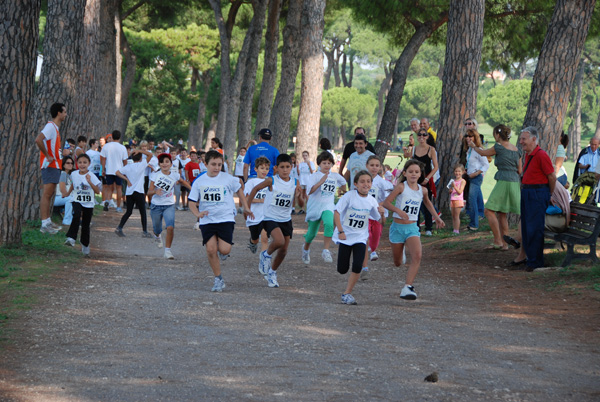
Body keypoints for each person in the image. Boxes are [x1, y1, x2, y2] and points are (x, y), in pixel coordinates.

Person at [188, 150, 252, 292]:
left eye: (219, 164)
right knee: (211, 250)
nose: (217, 167)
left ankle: (221, 248)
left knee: (225, 249)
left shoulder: (227, 178)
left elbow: (239, 190)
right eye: (213, 164)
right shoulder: (199, 181)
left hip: (226, 218)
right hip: (207, 219)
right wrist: (197, 213)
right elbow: (191, 202)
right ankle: (218, 279)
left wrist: (246, 207)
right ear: (205, 164)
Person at [382, 160, 445, 300]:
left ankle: (407, 287)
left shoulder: (422, 190)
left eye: (417, 172)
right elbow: (386, 203)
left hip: (412, 228)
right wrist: (399, 211)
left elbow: (428, 203)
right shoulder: (401, 187)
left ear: (420, 174)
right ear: (405, 173)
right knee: (397, 262)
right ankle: (401, 252)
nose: (413, 174)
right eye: (410, 172)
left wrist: (437, 217)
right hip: (397, 228)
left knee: (417, 256)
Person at [247, 154, 303, 288]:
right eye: (282, 167)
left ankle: (272, 272)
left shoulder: (295, 182)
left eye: (288, 167)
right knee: (279, 241)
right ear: (276, 168)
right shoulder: (271, 180)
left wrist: (298, 196)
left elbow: (300, 203)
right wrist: (247, 208)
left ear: (292, 167)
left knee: (283, 250)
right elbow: (255, 189)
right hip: (270, 217)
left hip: (286, 219)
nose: (285, 170)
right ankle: (265, 255)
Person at [333, 170, 383, 305]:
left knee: (357, 265)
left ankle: (347, 293)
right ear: (355, 184)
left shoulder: (372, 201)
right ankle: (344, 271)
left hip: (361, 237)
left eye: (368, 181)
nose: (365, 184)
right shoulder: (349, 196)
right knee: (342, 269)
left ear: (371, 184)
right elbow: (337, 213)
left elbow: (379, 220)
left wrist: (382, 214)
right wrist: (341, 231)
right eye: (362, 181)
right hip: (345, 236)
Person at [468, 124, 521, 248]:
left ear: (497, 135)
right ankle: (505, 244)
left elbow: (483, 153)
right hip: (514, 183)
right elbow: (520, 170)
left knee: (488, 210)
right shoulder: (516, 149)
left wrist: (473, 146)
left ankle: (497, 240)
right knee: (502, 213)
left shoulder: (499, 147)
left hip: (503, 181)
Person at [519, 127, 556, 270]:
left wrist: (549, 194)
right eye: (521, 138)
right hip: (528, 192)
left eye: (524, 139)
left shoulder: (541, 155)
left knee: (534, 228)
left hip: (537, 193)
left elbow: (551, 176)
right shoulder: (528, 155)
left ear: (534, 139)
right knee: (527, 228)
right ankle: (531, 259)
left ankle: (535, 262)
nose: (521, 141)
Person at [301, 151, 347, 265]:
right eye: (324, 163)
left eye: (329, 163)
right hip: (315, 206)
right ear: (319, 164)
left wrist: (342, 190)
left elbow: (343, 182)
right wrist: (321, 182)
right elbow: (309, 191)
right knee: (311, 234)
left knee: (329, 224)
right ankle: (306, 249)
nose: (327, 165)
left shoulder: (335, 176)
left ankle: (326, 250)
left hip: (328, 205)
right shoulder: (314, 176)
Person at [147, 153, 191, 259]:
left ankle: (167, 251)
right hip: (156, 205)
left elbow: (182, 181)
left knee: (170, 227)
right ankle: (157, 236)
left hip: (169, 205)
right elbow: (149, 192)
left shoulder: (175, 175)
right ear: (159, 164)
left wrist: (193, 190)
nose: (164, 164)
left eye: (167, 162)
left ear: (171, 164)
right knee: (157, 229)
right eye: (162, 162)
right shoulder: (155, 175)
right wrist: (155, 191)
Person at [35, 102, 67, 234]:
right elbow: (38, 140)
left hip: (55, 165)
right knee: (47, 194)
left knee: (50, 194)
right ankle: (44, 224)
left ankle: (48, 221)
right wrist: (47, 155)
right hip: (49, 165)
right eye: (64, 112)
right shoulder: (50, 126)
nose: (66, 114)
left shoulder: (55, 128)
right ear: (58, 113)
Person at [360, 155, 394, 279]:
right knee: (366, 236)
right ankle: (364, 266)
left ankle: (373, 249)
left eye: (377, 165)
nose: (374, 168)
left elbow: (387, 199)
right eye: (372, 165)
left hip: (378, 214)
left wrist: (378, 205)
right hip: (364, 213)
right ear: (367, 166)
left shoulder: (383, 183)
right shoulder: (362, 179)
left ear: (380, 167)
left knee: (376, 235)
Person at [64, 154, 102, 257]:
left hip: (89, 203)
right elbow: (73, 184)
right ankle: (71, 238)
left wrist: (89, 181)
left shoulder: (92, 176)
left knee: (86, 225)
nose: (82, 164)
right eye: (80, 162)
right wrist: (67, 193)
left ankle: (85, 244)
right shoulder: (74, 174)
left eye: (85, 162)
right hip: (77, 199)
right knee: (76, 215)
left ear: (89, 164)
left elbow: (98, 191)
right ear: (77, 164)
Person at [115, 148, 154, 238]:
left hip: (129, 192)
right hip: (139, 191)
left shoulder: (128, 167)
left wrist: (126, 179)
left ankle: (119, 227)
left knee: (129, 211)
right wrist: (140, 150)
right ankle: (144, 232)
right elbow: (150, 155)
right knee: (142, 212)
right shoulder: (142, 165)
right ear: (140, 158)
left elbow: (117, 172)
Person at [409, 128, 439, 236]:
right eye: (419, 135)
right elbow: (410, 162)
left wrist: (427, 178)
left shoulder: (431, 150)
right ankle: (416, 227)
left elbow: (435, 167)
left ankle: (429, 228)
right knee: (415, 203)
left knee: (427, 203)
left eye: (424, 135)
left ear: (427, 136)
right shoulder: (414, 149)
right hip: (415, 179)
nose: (421, 137)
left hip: (426, 180)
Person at [244, 156, 271, 255]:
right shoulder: (251, 182)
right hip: (254, 215)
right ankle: (252, 242)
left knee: (264, 238)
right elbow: (246, 199)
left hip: (265, 216)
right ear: (256, 169)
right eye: (262, 168)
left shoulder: (269, 182)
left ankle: (264, 260)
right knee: (255, 239)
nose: (264, 171)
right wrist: (260, 200)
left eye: (267, 168)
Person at [464, 127, 489, 231]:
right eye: (467, 136)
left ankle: (474, 224)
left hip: (476, 177)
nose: (468, 138)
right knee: (476, 199)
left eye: (470, 136)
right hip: (469, 176)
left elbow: (486, 165)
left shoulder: (479, 150)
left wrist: (476, 173)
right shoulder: (469, 150)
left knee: (472, 198)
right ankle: (479, 217)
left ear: (475, 138)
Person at [100, 130, 128, 212]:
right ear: (119, 137)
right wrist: (125, 171)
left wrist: (103, 169)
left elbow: (103, 159)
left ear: (112, 136)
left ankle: (107, 203)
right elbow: (125, 161)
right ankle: (118, 207)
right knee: (119, 188)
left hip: (109, 170)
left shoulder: (106, 146)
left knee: (109, 188)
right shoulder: (122, 147)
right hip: (119, 171)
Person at [54, 156, 75, 226]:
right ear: (63, 164)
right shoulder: (63, 174)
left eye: (72, 163)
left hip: (62, 197)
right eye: (68, 163)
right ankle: (67, 221)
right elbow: (62, 188)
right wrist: (68, 194)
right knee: (70, 199)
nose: (70, 165)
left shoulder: (68, 175)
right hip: (58, 197)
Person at [448, 164, 467, 235]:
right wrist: (450, 190)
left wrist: (454, 186)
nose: (457, 173)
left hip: (458, 200)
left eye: (459, 171)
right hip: (452, 199)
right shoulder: (453, 181)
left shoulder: (463, 181)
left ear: (462, 172)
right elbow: (451, 191)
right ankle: (454, 229)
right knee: (453, 216)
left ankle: (457, 230)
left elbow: (460, 192)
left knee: (456, 216)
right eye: (456, 171)